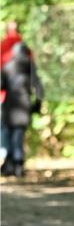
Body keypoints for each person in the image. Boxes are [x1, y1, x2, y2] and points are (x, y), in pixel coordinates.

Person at [1, 42, 44, 178]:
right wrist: (37, 105)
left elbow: (1, 85)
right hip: (23, 107)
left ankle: (10, 165)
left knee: (8, 136)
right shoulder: (29, 66)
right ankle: (17, 164)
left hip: (9, 108)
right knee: (18, 136)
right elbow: (38, 88)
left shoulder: (8, 66)